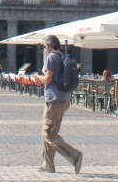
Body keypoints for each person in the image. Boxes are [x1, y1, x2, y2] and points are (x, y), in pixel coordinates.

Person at [33, 34, 82, 174]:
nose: (44, 49)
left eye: (44, 47)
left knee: (49, 134)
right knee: (49, 131)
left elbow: (48, 79)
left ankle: (74, 156)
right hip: (64, 98)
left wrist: (38, 77)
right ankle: (48, 164)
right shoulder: (62, 56)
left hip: (54, 99)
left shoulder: (51, 57)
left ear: (49, 45)